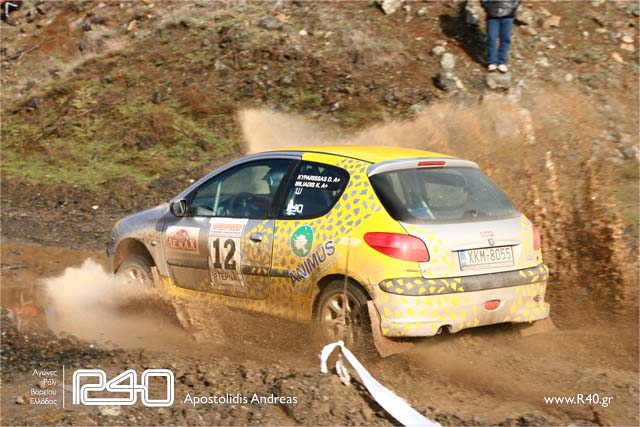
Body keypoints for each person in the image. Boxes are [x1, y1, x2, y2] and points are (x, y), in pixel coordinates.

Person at [481, 0, 520, 73]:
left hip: (508, 14)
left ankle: (502, 62)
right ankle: (491, 62)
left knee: (505, 39)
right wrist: (487, 6)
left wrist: (512, 7)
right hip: (492, 14)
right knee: (492, 38)